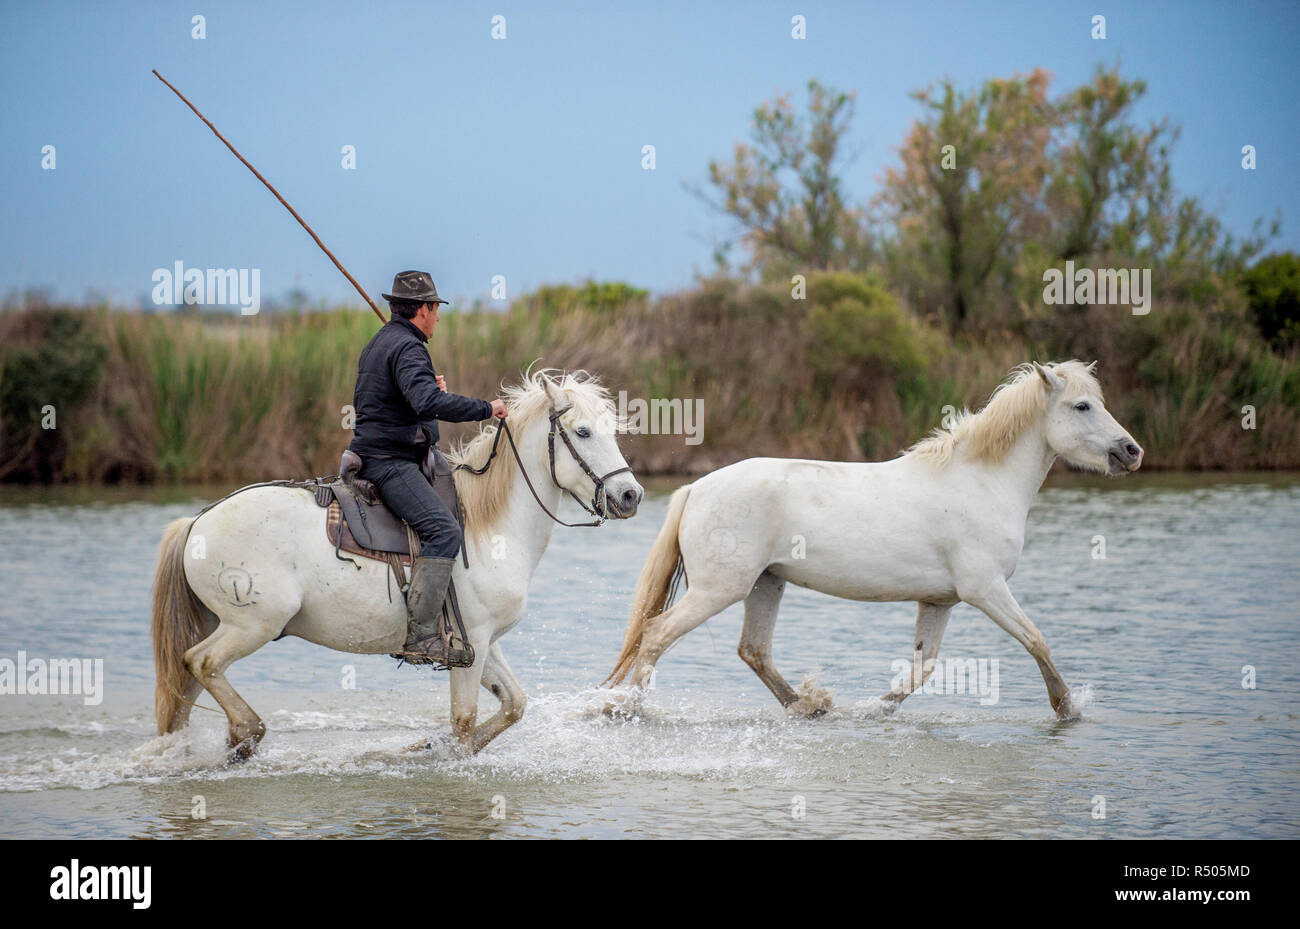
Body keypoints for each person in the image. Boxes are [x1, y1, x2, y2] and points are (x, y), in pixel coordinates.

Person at [347, 270, 507, 666]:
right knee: (443, 530)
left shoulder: (383, 343)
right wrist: (486, 408)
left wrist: (424, 390)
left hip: (378, 452)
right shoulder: (408, 348)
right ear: (422, 309)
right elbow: (426, 405)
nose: (438, 318)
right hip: (389, 462)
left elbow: (401, 402)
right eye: (436, 309)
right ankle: (420, 637)